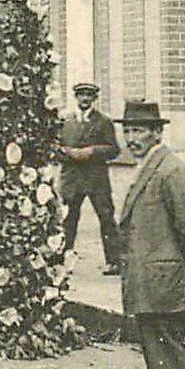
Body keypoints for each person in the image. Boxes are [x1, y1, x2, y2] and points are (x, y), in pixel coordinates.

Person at [116, 101, 185, 369]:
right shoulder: (145, 167)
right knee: (164, 368)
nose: (131, 138)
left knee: (170, 367)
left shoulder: (171, 170)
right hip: (152, 286)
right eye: (127, 130)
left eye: (139, 130)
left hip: (164, 287)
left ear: (157, 132)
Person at [59, 80, 122, 274]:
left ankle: (114, 261)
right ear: (76, 97)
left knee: (106, 217)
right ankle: (62, 259)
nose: (85, 99)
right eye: (81, 95)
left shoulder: (103, 121)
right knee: (68, 219)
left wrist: (92, 151)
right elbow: (54, 147)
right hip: (72, 178)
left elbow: (114, 149)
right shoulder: (65, 121)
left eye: (89, 95)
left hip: (96, 178)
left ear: (94, 98)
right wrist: (67, 152)